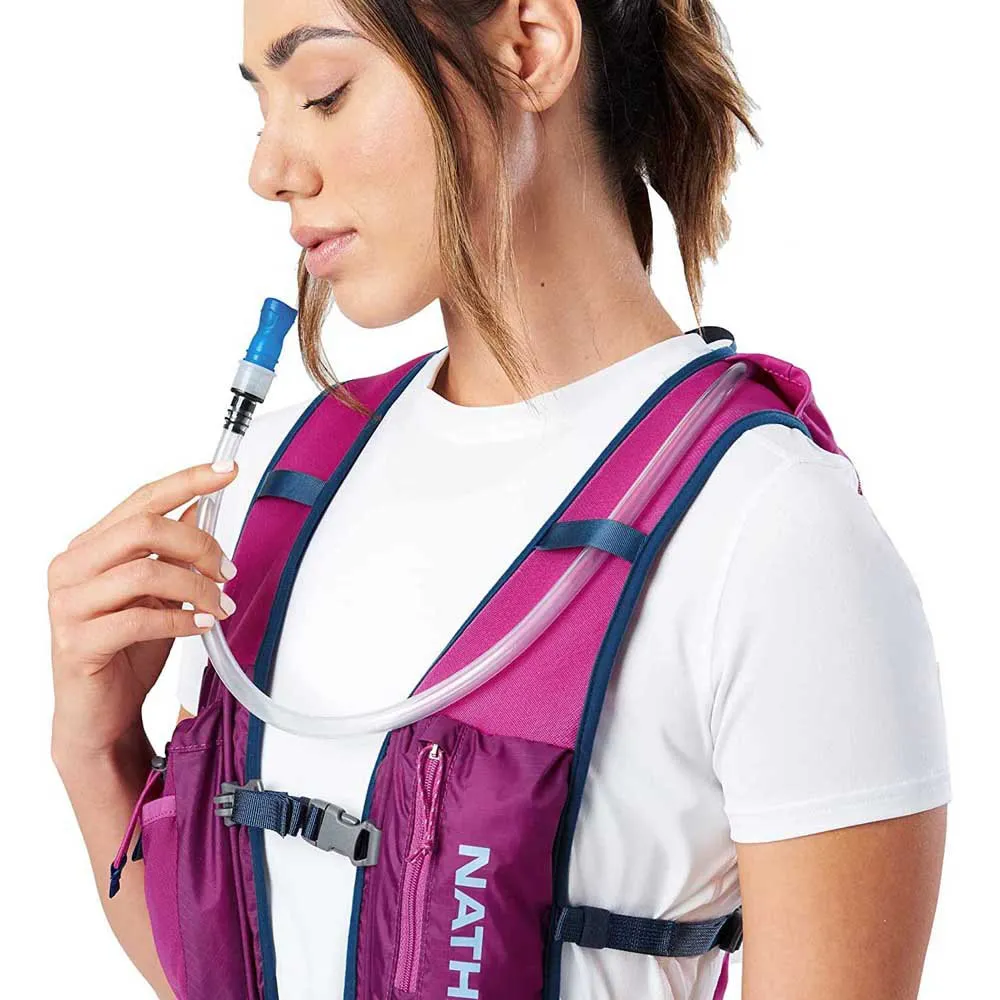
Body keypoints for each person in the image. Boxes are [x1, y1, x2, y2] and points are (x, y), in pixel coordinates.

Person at [48, 1, 951, 998]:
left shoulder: (772, 535)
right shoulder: (287, 481)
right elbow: (221, 969)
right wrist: (96, 748)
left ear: (531, 49)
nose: (269, 170)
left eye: (324, 93)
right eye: (263, 109)